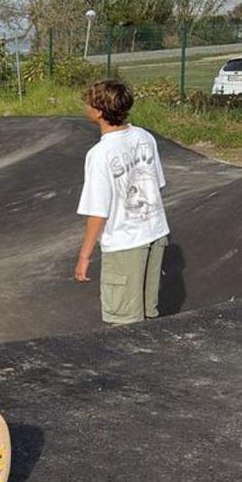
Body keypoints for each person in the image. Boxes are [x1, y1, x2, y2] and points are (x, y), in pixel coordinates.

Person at [75, 79, 170, 325]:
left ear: (98, 112)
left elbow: (98, 213)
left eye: (88, 103)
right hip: (155, 235)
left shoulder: (99, 155)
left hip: (124, 244)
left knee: (124, 321)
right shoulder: (144, 137)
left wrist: (85, 256)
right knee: (149, 315)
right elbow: (156, 184)